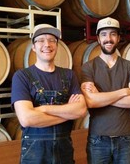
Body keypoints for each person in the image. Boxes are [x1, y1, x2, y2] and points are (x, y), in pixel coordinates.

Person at [11, 24, 87, 164]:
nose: (47, 44)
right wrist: (67, 113)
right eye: (41, 40)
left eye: (52, 40)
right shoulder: (22, 76)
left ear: (57, 45)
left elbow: (81, 110)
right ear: (33, 47)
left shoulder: (69, 75)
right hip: (34, 153)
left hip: (63, 150)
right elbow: (27, 119)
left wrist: (44, 109)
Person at [81, 17, 130, 164]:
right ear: (98, 38)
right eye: (104, 34)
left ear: (119, 37)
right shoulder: (88, 67)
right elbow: (91, 102)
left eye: (113, 34)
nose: (108, 39)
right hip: (98, 139)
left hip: (125, 138)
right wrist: (122, 92)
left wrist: (100, 97)